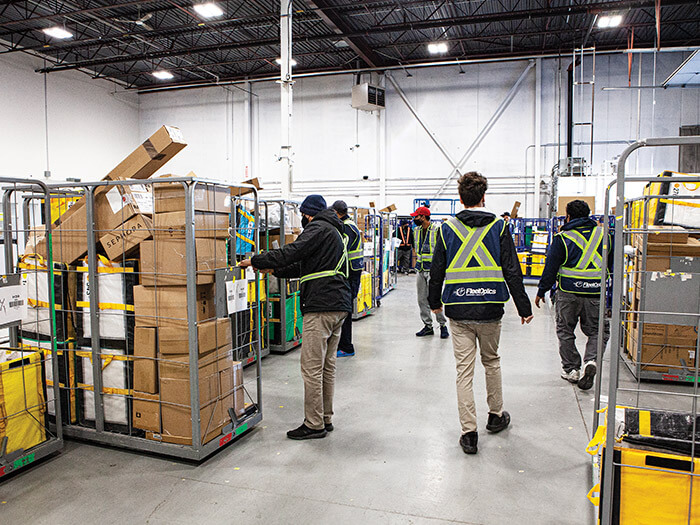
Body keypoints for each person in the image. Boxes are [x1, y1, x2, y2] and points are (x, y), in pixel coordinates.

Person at [429, 172, 533, 455]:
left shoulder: (447, 228)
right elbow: (512, 270)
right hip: (490, 308)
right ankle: (496, 415)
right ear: (484, 197)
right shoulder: (499, 227)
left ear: (461, 198)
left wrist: (433, 302)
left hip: (458, 309)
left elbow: (436, 269)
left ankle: (469, 433)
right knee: (492, 361)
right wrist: (523, 306)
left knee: (464, 371)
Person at [240, 195, 351, 440]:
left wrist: (256, 260)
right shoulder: (333, 231)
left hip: (320, 305)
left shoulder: (317, 228)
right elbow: (304, 266)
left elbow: (291, 252)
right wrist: (274, 269)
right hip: (338, 304)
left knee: (311, 367)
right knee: (326, 366)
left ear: (308, 213)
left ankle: (313, 424)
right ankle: (324, 417)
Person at [535, 199, 611, 391]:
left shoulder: (562, 238)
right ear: (589, 214)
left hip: (568, 293)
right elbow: (614, 265)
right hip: (595, 293)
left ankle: (572, 369)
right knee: (597, 331)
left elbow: (551, 267)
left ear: (568, 216)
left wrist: (542, 290)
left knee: (565, 330)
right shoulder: (605, 236)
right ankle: (591, 360)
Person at [412, 206, 449, 339]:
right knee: (421, 299)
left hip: (433, 270)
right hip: (420, 269)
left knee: (434, 298)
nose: (414, 219)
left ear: (423, 217)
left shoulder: (437, 230)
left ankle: (443, 325)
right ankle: (428, 326)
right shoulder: (416, 231)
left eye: (416, 216)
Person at [331, 200, 362, 357]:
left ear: (338, 213)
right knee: (344, 309)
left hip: (351, 274)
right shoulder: (349, 224)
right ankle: (343, 345)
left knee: (346, 311)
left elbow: (342, 248)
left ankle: (346, 347)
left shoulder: (348, 227)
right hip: (351, 271)